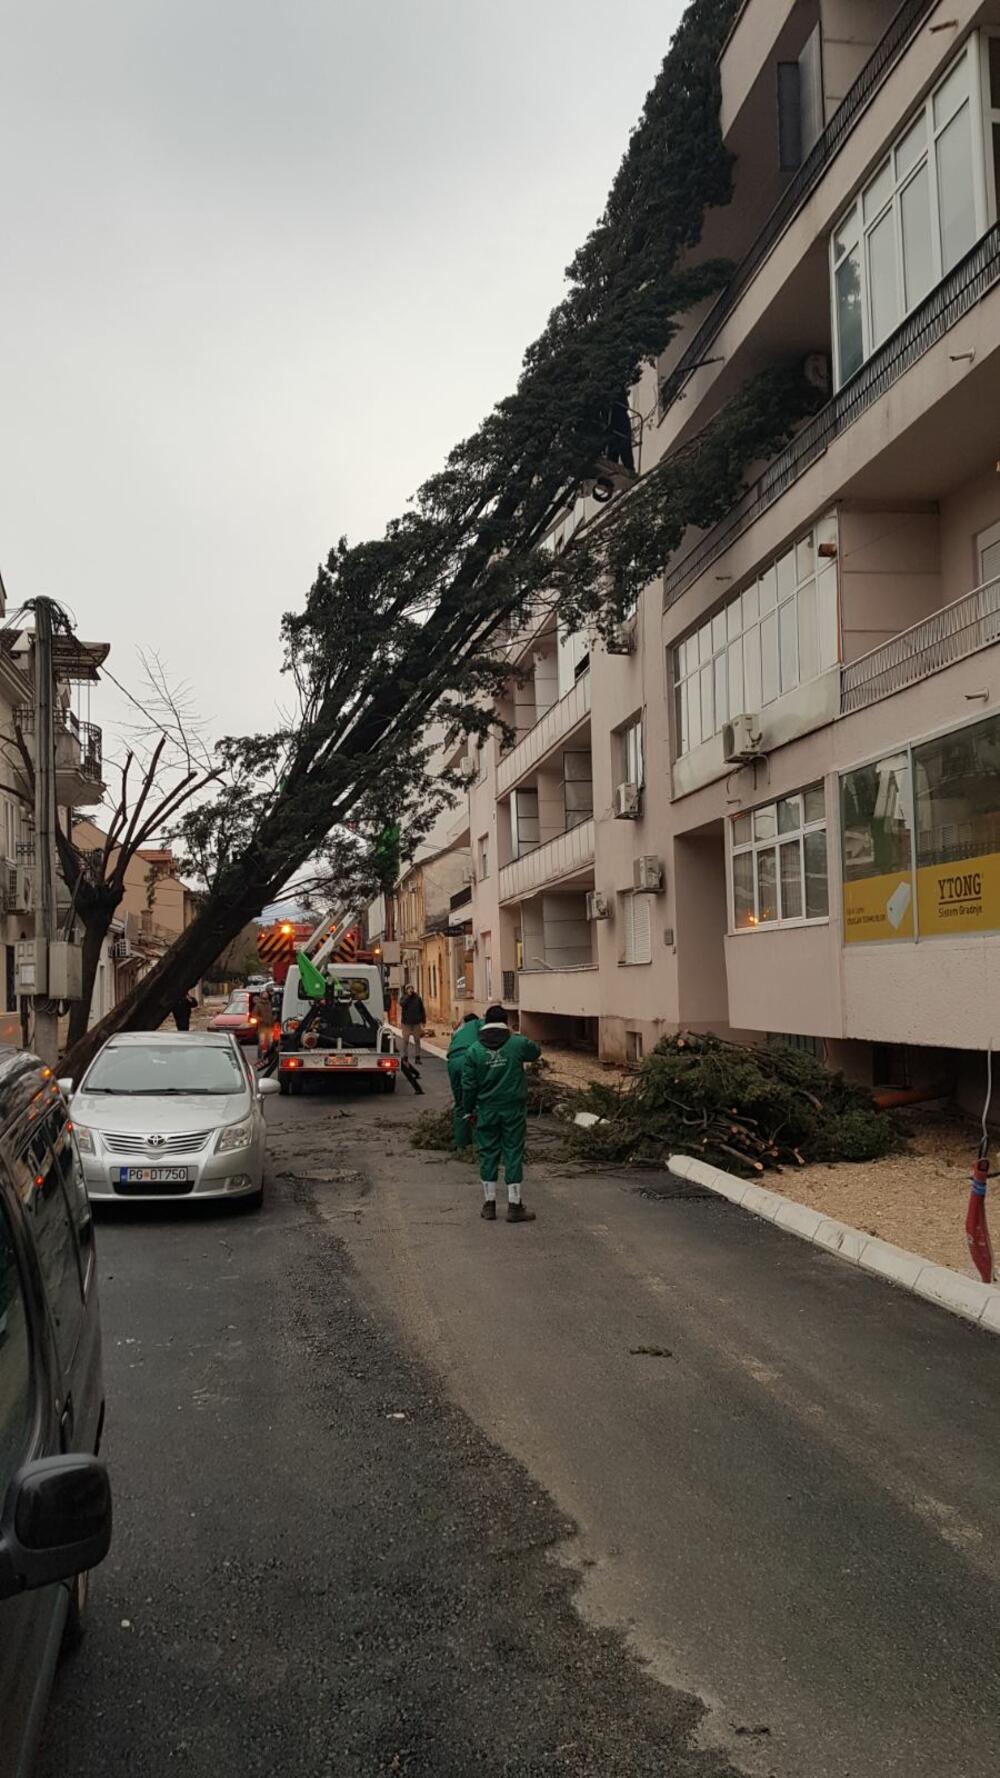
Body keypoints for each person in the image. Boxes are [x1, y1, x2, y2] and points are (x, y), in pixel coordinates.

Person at [461, 1004, 541, 1223]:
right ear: (505, 1021)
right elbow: (535, 1052)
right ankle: (515, 1206)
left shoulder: (474, 1050)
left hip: (486, 1110)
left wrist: (468, 1111)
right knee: (513, 1152)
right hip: (513, 1109)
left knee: (488, 1153)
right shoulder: (516, 1044)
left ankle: (489, 1204)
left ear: (485, 1022)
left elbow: (468, 1086)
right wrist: (515, 1035)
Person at [446, 1012, 481, 1148]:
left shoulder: (458, 1031)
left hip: (452, 1062)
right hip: (469, 1059)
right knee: (477, 1101)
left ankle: (461, 1144)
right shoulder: (478, 1024)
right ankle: (479, 1146)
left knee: (460, 1103)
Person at [399, 982, 426, 1067]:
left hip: (416, 1023)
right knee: (405, 1041)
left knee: (417, 1040)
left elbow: (422, 1009)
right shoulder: (403, 998)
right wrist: (408, 996)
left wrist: (423, 1020)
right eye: (408, 988)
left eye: (411, 988)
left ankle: (417, 1057)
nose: (410, 989)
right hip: (406, 1023)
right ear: (406, 990)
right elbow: (402, 1004)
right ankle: (405, 1057)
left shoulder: (418, 998)